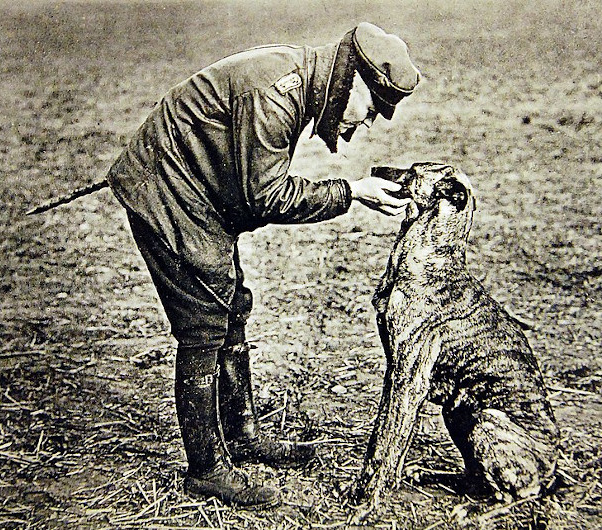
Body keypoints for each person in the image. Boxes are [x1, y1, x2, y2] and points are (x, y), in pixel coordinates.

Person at [106, 22, 420, 509]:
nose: (366, 124)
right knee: (204, 324)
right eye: (373, 109)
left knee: (233, 304)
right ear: (354, 78)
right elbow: (262, 197)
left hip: (195, 189)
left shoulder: (300, 81)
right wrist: (350, 191)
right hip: (166, 190)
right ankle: (207, 468)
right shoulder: (278, 95)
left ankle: (242, 434)